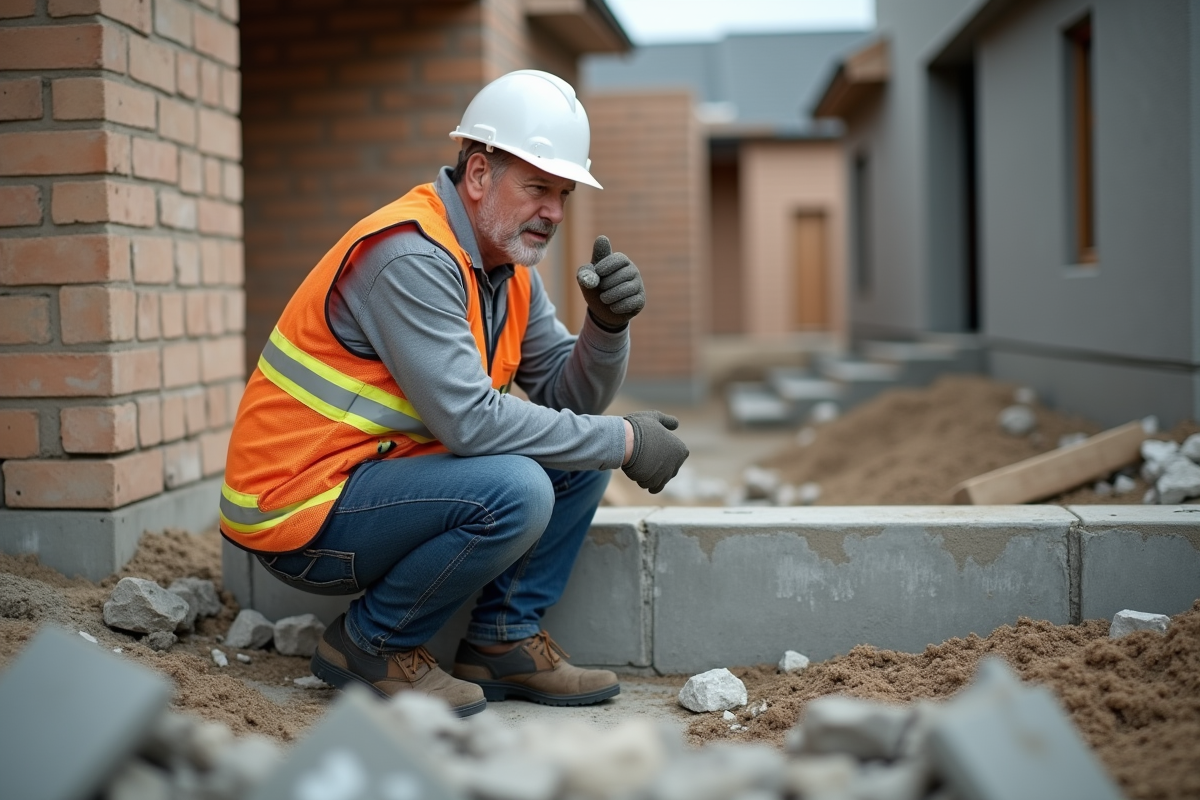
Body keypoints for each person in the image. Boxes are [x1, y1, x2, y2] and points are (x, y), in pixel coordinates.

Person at [218, 69, 690, 717]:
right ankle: (371, 643)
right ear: (477, 174)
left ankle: (503, 641)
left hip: (370, 483)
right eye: (537, 188)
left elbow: (566, 400)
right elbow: (470, 424)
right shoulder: (409, 255)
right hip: (294, 506)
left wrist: (606, 331)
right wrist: (628, 441)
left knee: (575, 462)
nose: (553, 211)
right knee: (521, 487)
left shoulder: (508, 268)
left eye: (563, 193)